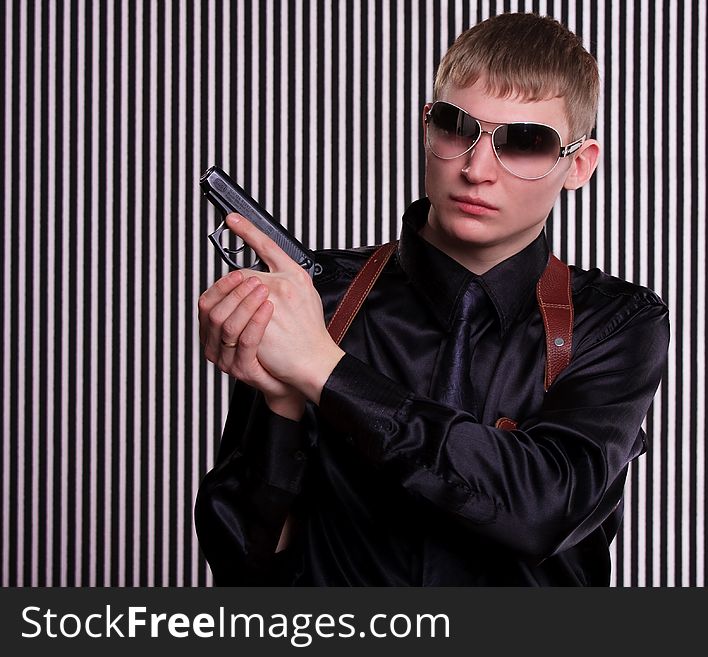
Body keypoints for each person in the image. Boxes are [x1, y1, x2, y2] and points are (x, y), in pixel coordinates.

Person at [195, 12, 669, 586]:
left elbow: (542, 509)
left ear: (578, 165)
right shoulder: (317, 297)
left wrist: (324, 372)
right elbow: (239, 563)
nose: (475, 169)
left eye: (523, 142)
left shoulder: (614, 323)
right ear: (428, 127)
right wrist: (281, 405)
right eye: (455, 127)